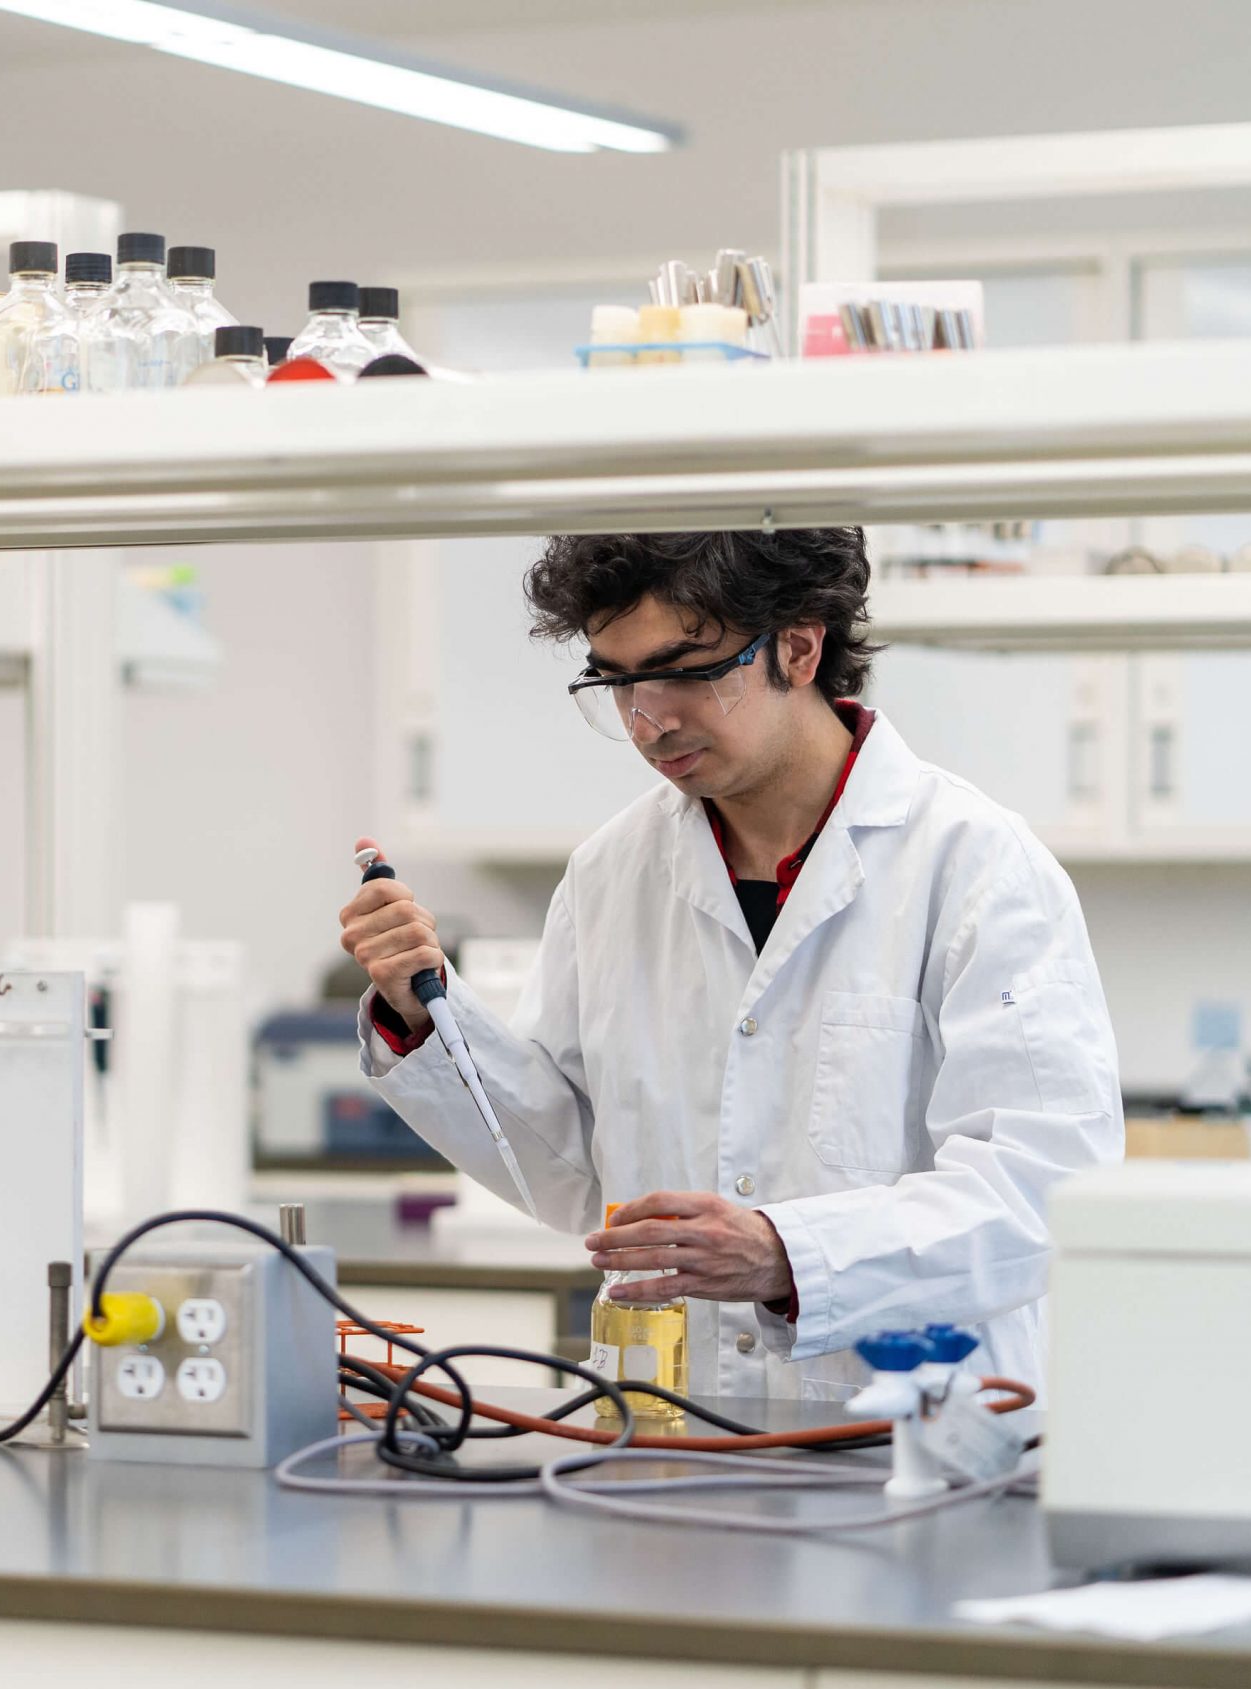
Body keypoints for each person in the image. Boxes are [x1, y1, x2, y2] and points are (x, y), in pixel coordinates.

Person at [337, 528, 1122, 1400]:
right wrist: (424, 1017)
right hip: (672, 1430)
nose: (648, 719)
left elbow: (1041, 1195)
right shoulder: (609, 875)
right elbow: (567, 1169)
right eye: (617, 680)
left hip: (911, 1447)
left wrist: (785, 1255)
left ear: (799, 643)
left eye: (686, 670)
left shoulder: (976, 867)